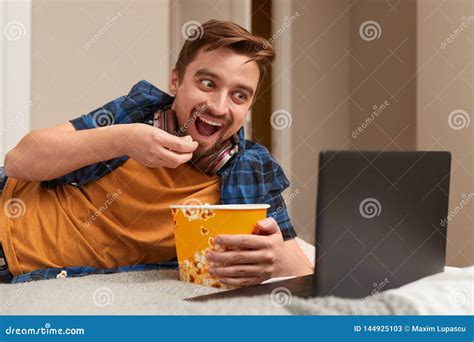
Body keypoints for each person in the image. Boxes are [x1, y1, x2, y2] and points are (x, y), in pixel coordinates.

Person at [0, 19, 313, 285]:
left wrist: (278, 260)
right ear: (175, 81)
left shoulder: (252, 170)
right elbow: (18, 161)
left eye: (239, 95)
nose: (218, 106)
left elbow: (302, 269)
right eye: (207, 83)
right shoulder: (137, 113)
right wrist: (124, 139)